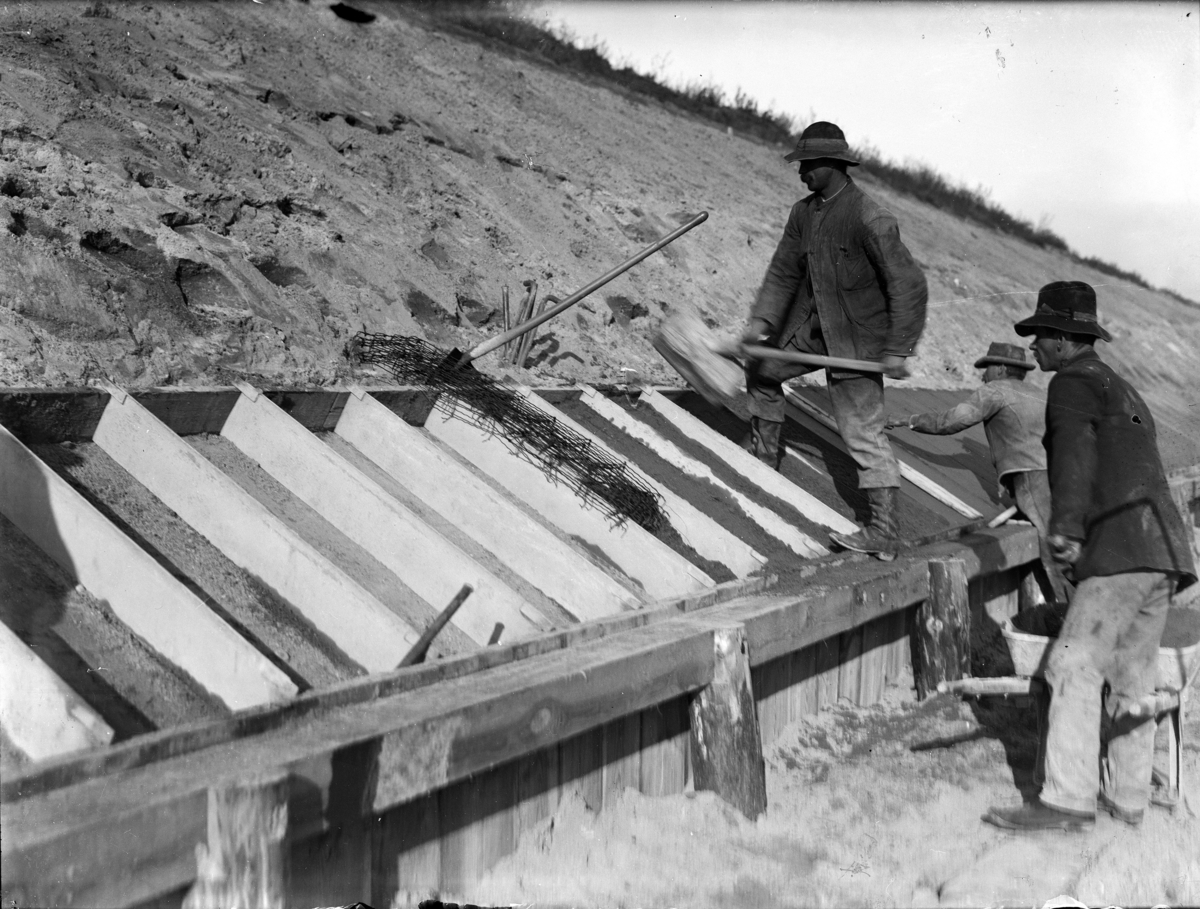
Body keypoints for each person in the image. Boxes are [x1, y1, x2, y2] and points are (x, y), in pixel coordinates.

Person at [983, 281, 1196, 832]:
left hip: (1120, 549)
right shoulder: (1121, 387)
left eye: (1038, 336)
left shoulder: (1073, 383)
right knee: (1132, 675)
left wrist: (1066, 530)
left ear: (1062, 338)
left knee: (1072, 664)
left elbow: (1074, 458)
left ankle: (1067, 801)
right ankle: (1128, 796)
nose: (1032, 346)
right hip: (1163, 552)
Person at [743, 121, 928, 561]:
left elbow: (909, 285)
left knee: (862, 433)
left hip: (857, 344)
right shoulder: (802, 214)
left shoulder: (871, 219)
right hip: (811, 333)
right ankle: (763, 459)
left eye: (807, 165)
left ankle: (884, 531)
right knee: (762, 370)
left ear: (832, 164)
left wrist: (897, 349)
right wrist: (761, 322)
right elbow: (783, 271)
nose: (800, 172)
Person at [885, 341, 1070, 605]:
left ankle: (1069, 611)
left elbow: (950, 421)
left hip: (1032, 477)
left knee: (1054, 551)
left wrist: (908, 420)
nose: (982, 376)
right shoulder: (1040, 393)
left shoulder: (995, 391)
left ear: (1001, 368)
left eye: (987, 368)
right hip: (1059, 475)